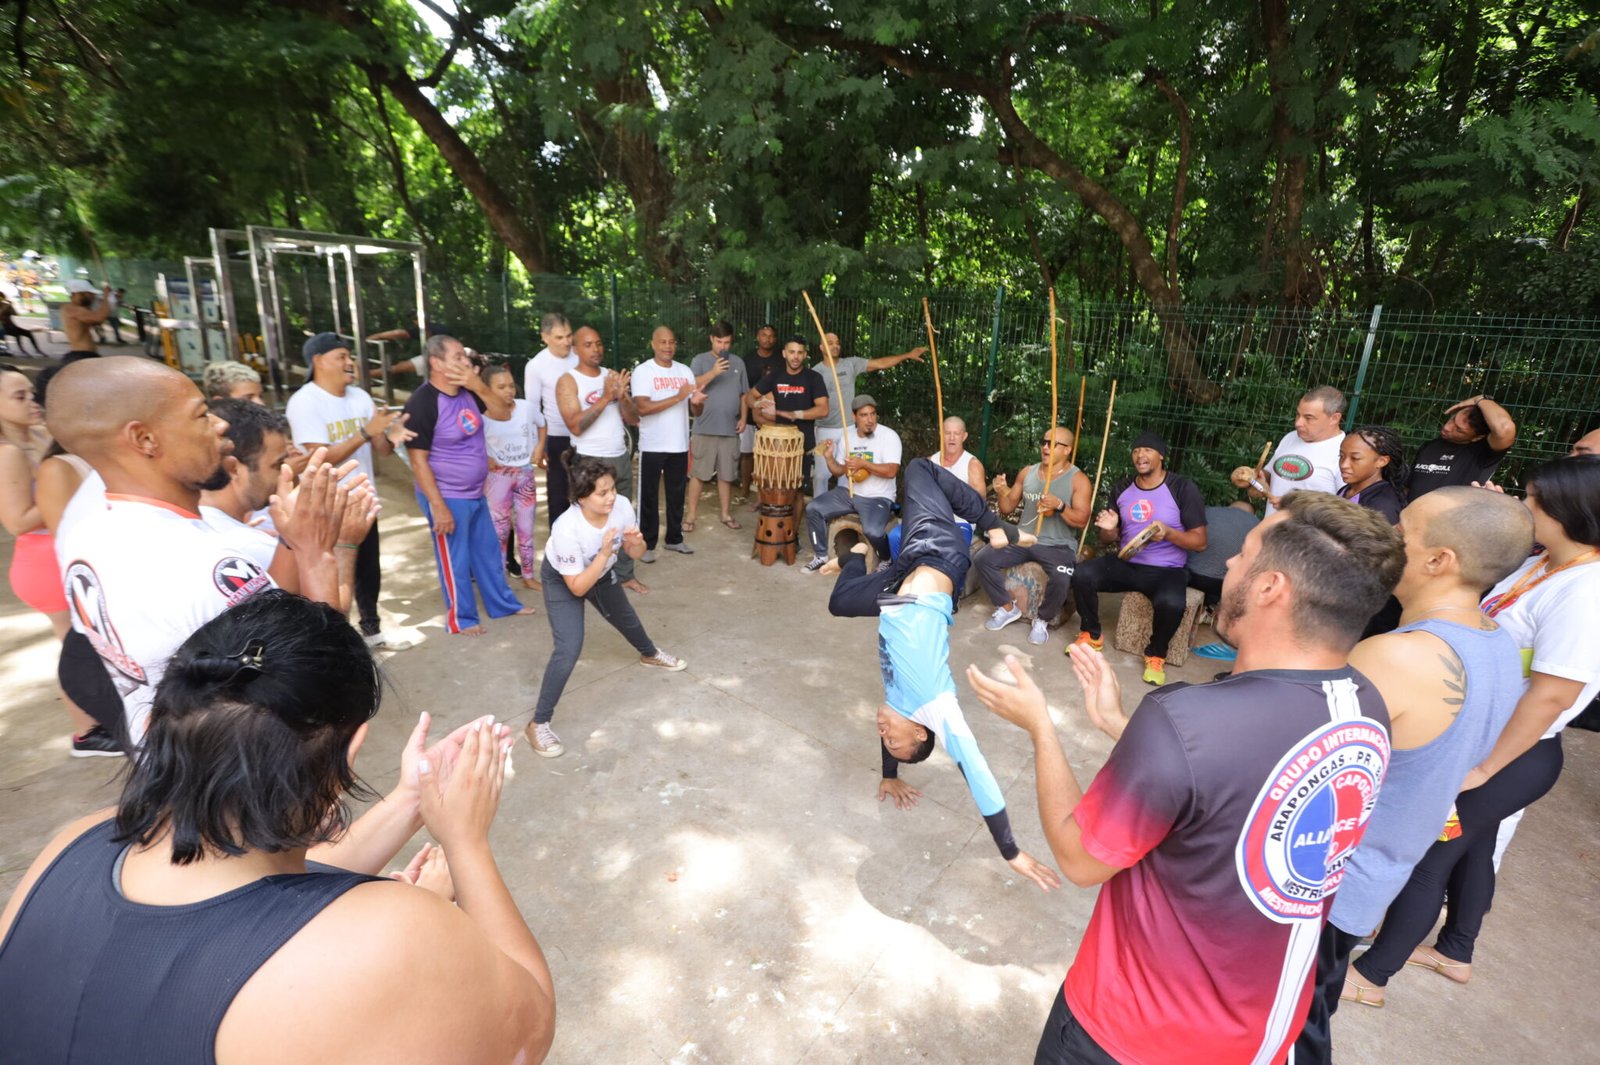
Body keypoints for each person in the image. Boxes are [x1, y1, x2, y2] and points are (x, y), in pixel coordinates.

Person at [0, 591, 557, 1064]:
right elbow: (529, 1031)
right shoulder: (388, 938)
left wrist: (413, 798)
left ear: (160, 725)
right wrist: (465, 843)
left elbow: (246, 902)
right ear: (351, 750)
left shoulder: (73, 844)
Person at [969, 490, 1404, 1065]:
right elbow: (1228, 789)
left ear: (1272, 589)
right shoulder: (1365, 707)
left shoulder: (1187, 720)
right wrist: (1119, 724)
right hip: (1264, 1037)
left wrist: (1041, 728)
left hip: (1129, 1033)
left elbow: (1079, 859)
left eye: (1245, 557)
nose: (1227, 565)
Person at [1292, 487, 1532, 1062]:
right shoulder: (1495, 642)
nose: (1389, 536)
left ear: (1438, 561)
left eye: (1404, 530)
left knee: (1291, 1027)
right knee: (1308, 1015)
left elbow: (1286, 760)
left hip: (1321, 883)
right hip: (1372, 878)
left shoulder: (1398, 658)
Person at [1350, 457, 1600, 1006]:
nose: (1524, 508)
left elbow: (1555, 694)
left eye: (1533, 501)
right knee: (1475, 846)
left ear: (1569, 512)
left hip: (1515, 751)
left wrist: (1484, 767)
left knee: (1431, 854)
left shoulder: (1587, 590)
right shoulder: (1548, 565)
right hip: (1493, 738)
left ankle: (1372, 976)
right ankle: (1456, 950)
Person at [46, 356, 363, 744]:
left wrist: (289, 539)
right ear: (144, 439)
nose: (220, 424)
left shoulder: (88, 527)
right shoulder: (191, 560)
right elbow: (317, 667)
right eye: (201, 416)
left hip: (175, 760)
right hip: (244, 772)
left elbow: (262, 609)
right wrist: (319, 549)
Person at [825, 457, 1060, 891]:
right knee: (919, 468)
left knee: (839, 603)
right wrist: (1010, 850)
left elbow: (893, 725)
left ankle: (855, 553)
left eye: (885, 740)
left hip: (896, 584)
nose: (883, 731)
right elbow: (978, 771)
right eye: (893, 740)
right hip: (936, 553)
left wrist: (890, 775)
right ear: (920, 733)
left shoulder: (898, 704)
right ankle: (996, 527)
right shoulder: (935, 704)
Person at [527, 455, 687, 758]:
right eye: (602, 493)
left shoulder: (622, 506)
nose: (611, 497)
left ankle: (650, 654)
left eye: (612, 488)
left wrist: (636, 541)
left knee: (625, 617)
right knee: (569, 648)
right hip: (565, 580)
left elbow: (635, 552)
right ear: (582, 497)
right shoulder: (567, 528)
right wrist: (602, 555)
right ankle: (538, 723)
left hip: (600, 572)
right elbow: (577, 587)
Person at [0, 366, 108, 753]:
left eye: (31, 393)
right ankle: (87, 732)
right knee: (75, 645)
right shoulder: (9, 453)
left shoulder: (37, 439)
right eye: (19, 397)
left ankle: (95, 723)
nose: (33, 402)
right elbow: (15, 520)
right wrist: (59, 494)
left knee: (84, 641)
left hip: (54, 553)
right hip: (44, 559)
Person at [402, 334, 534, 636]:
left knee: (487, 552)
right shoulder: (423, 403)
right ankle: (462, 619)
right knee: (455, 559)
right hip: (445, 495)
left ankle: (503, 605)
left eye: (465, 356)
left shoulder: (468, 392)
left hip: (476, 492)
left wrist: (478, 386)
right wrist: (438, 507)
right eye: (458, 357)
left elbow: (502, 414)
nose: (466, 361)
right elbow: (418, 462)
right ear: (436, 363)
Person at [286, 333, 412, 648]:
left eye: (349, 356)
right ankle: (331, 636)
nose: (350, 362)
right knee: (333, 571)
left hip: (362, 497)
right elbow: (319, 455)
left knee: (368, 567)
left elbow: (380, 449)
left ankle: (372, 629)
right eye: (341, 356)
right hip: (327, 504)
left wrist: (390, 433)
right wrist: (364, 432)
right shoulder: (304, 402)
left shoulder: (360, 397)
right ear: (318, 361)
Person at [1071, 431, 1208, 685]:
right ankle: (1091, 634)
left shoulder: (1181, 488)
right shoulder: (1122, 488)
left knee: (1172, 603)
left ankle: (1156, 654)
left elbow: (1200, 541)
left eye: (1147, 450)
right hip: (1126, 563)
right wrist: (1110, 529)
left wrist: (1168, 534)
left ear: (1161, 456)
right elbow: (1106, 540)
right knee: (1082, 574)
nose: (1140, 455)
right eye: (1135, 451)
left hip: (1167, 569)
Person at [976, 425, 1090, 645]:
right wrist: (1001, 491)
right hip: (1024, 538)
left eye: (1053, 443)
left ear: (1067, 450)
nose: (1046, 447)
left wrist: (1059, 506)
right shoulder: (1028, 472)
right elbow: (1008, 507)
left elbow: (1082, 520)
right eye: (1044, 442)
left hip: (1058, 546)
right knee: (983, 558)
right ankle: (1007, 607)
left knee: (1062, 577)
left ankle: (1043, 619)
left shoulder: (1078, 480)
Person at [557, 325, 645, 593]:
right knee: (592, 517)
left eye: (598, 343)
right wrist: (607, 397)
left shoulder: (610, 376)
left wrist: (623, 396)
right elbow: (575, 425)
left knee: (625, 514)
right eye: (588, 344)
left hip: (619, 456)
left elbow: (633, 418)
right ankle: (588, 574)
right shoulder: (568, 381)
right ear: (575, 348)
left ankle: (625, 574)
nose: (595, 349)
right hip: (588, 460)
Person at [809, 332, 925, 496]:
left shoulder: (850, 364)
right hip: (824, 428)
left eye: (837, 342)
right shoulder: (814, 372)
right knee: (821, 475)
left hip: (848, 427)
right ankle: (819, 508)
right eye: (829, 343)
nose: (835, 346)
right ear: (821, 347)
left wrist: (908, 355)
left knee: (847, 472)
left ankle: (843, 506)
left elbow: (879, 364)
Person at [803, 395, 902, 571]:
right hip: (848, 492)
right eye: (864, 415)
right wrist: (829, 457)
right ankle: (821, 555)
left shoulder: (889, 436)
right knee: (813, 508)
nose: (870, 420)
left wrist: (864, 464)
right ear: (854, 417)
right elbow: (838, 471)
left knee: (873, 531)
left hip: (877, 497)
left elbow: (891, 471)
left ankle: (886, 560)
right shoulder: (847, 437)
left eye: (873, 414)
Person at [631, 326, 698, 560]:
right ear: (653, 344)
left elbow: (694, 408)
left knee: (676, 494)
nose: (668, 346)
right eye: (663, 342)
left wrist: (698, 401)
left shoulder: (685, 371)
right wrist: (678, 397)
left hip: (679, 443)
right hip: (652, 445)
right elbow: (642, 407)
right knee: (649, 496)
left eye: (672, 342)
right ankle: (647, 545)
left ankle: (674, 539)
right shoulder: (643, 371)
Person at [482, 364, 546, 591]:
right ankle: (499, 582)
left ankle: (529, 576)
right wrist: (484, 457)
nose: (509, 390)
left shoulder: (526, 408)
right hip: (497, 480)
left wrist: (539, 448)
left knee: (526, 528)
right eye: (501, 387)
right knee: (499, 532)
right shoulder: (482, 419)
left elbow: (542, 425)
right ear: (486, 390)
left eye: (510, 385)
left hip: (525, 476)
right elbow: (471, 446)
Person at [686, 321, 748, 532]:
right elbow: (691, 386)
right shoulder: (700, 360)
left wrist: (744, 417)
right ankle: (691, 516)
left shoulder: (738, 362)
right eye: (719, 341)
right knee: (698, 474)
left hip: (730, 429)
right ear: (711, 339)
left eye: (727, 342)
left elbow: (744, 394)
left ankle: (725, 514)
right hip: (704, 428)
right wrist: (713, 372)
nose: (723, 346)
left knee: (727, 475)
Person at [747, 335, 829, 489]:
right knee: (776, 486)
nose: (796, 357)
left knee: (798, 490)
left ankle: (795, 514)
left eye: (799, 353)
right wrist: (757, 403)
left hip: (804, 441)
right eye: (792, 352)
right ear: (784, 353)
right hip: (778, 441)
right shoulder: (775, 376)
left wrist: (797, 414)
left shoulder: (814, 378)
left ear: (805, 355)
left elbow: (823, 409)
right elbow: (750, 396)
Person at [523, 314, 578, 529]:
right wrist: (539, 444)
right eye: (559, 337)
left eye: (569, 335)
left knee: (584, 490)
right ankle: (558, 547)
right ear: (545, 337)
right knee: (558, 494)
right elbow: (532, 407)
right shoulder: (536, 365)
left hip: (583, 434)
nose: (566, 341)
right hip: (556, 436)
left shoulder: (579, 356)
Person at [1256, 385, 1346, 514]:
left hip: (1307, 534)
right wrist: (1258, 480)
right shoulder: (1290, 437)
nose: (1298, 423)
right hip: (1270, 531)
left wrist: (1296, 505)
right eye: (1298, 415)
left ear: (1334, 418)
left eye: (1308, 418)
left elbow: (1346, 509)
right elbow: (1271, 476)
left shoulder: (1346, 452)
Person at [1406, 394, 1518, 498]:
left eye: (1459, 430)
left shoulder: (1483, 453)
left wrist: (1480, 399)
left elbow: (1505, 428)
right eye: (1453, 419)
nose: (1447, 427)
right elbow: (1408, 486)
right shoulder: (1430, 446)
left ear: (1477, 437)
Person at [739, 323, 780, 497]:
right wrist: (744, 414)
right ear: (758, 337)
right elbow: (744, 391)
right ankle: (745, 491)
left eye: (771, 336)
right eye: (764, 335)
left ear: (775, 339)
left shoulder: (781, 360)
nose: (767, 339)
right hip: (749, 415)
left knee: (767, 457)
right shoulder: (747, 360)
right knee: (747, 454)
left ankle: (762, 496)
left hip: (771, 417)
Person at [1337, 424, 1407, 524]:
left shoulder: (1383, 506)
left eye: (1355, 458)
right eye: (1341, 456)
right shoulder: (1347, 490)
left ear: (1381, 461)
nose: (1344, 465)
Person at [930, 415, 986, 496]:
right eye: (947, 433)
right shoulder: (931, 462)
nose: (952, 438)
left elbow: (979, 504)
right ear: (941, 435)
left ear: (964, 436)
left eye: (956, 433)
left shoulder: (973, 466)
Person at [60, 280, 113, 360]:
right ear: (75, 293)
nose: (92, 297)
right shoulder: (72, 309)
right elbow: (99, 317)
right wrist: (106, 296)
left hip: (84, 354)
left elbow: (97, 320)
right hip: (81, 355)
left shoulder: (76, 309)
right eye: (88, 294)